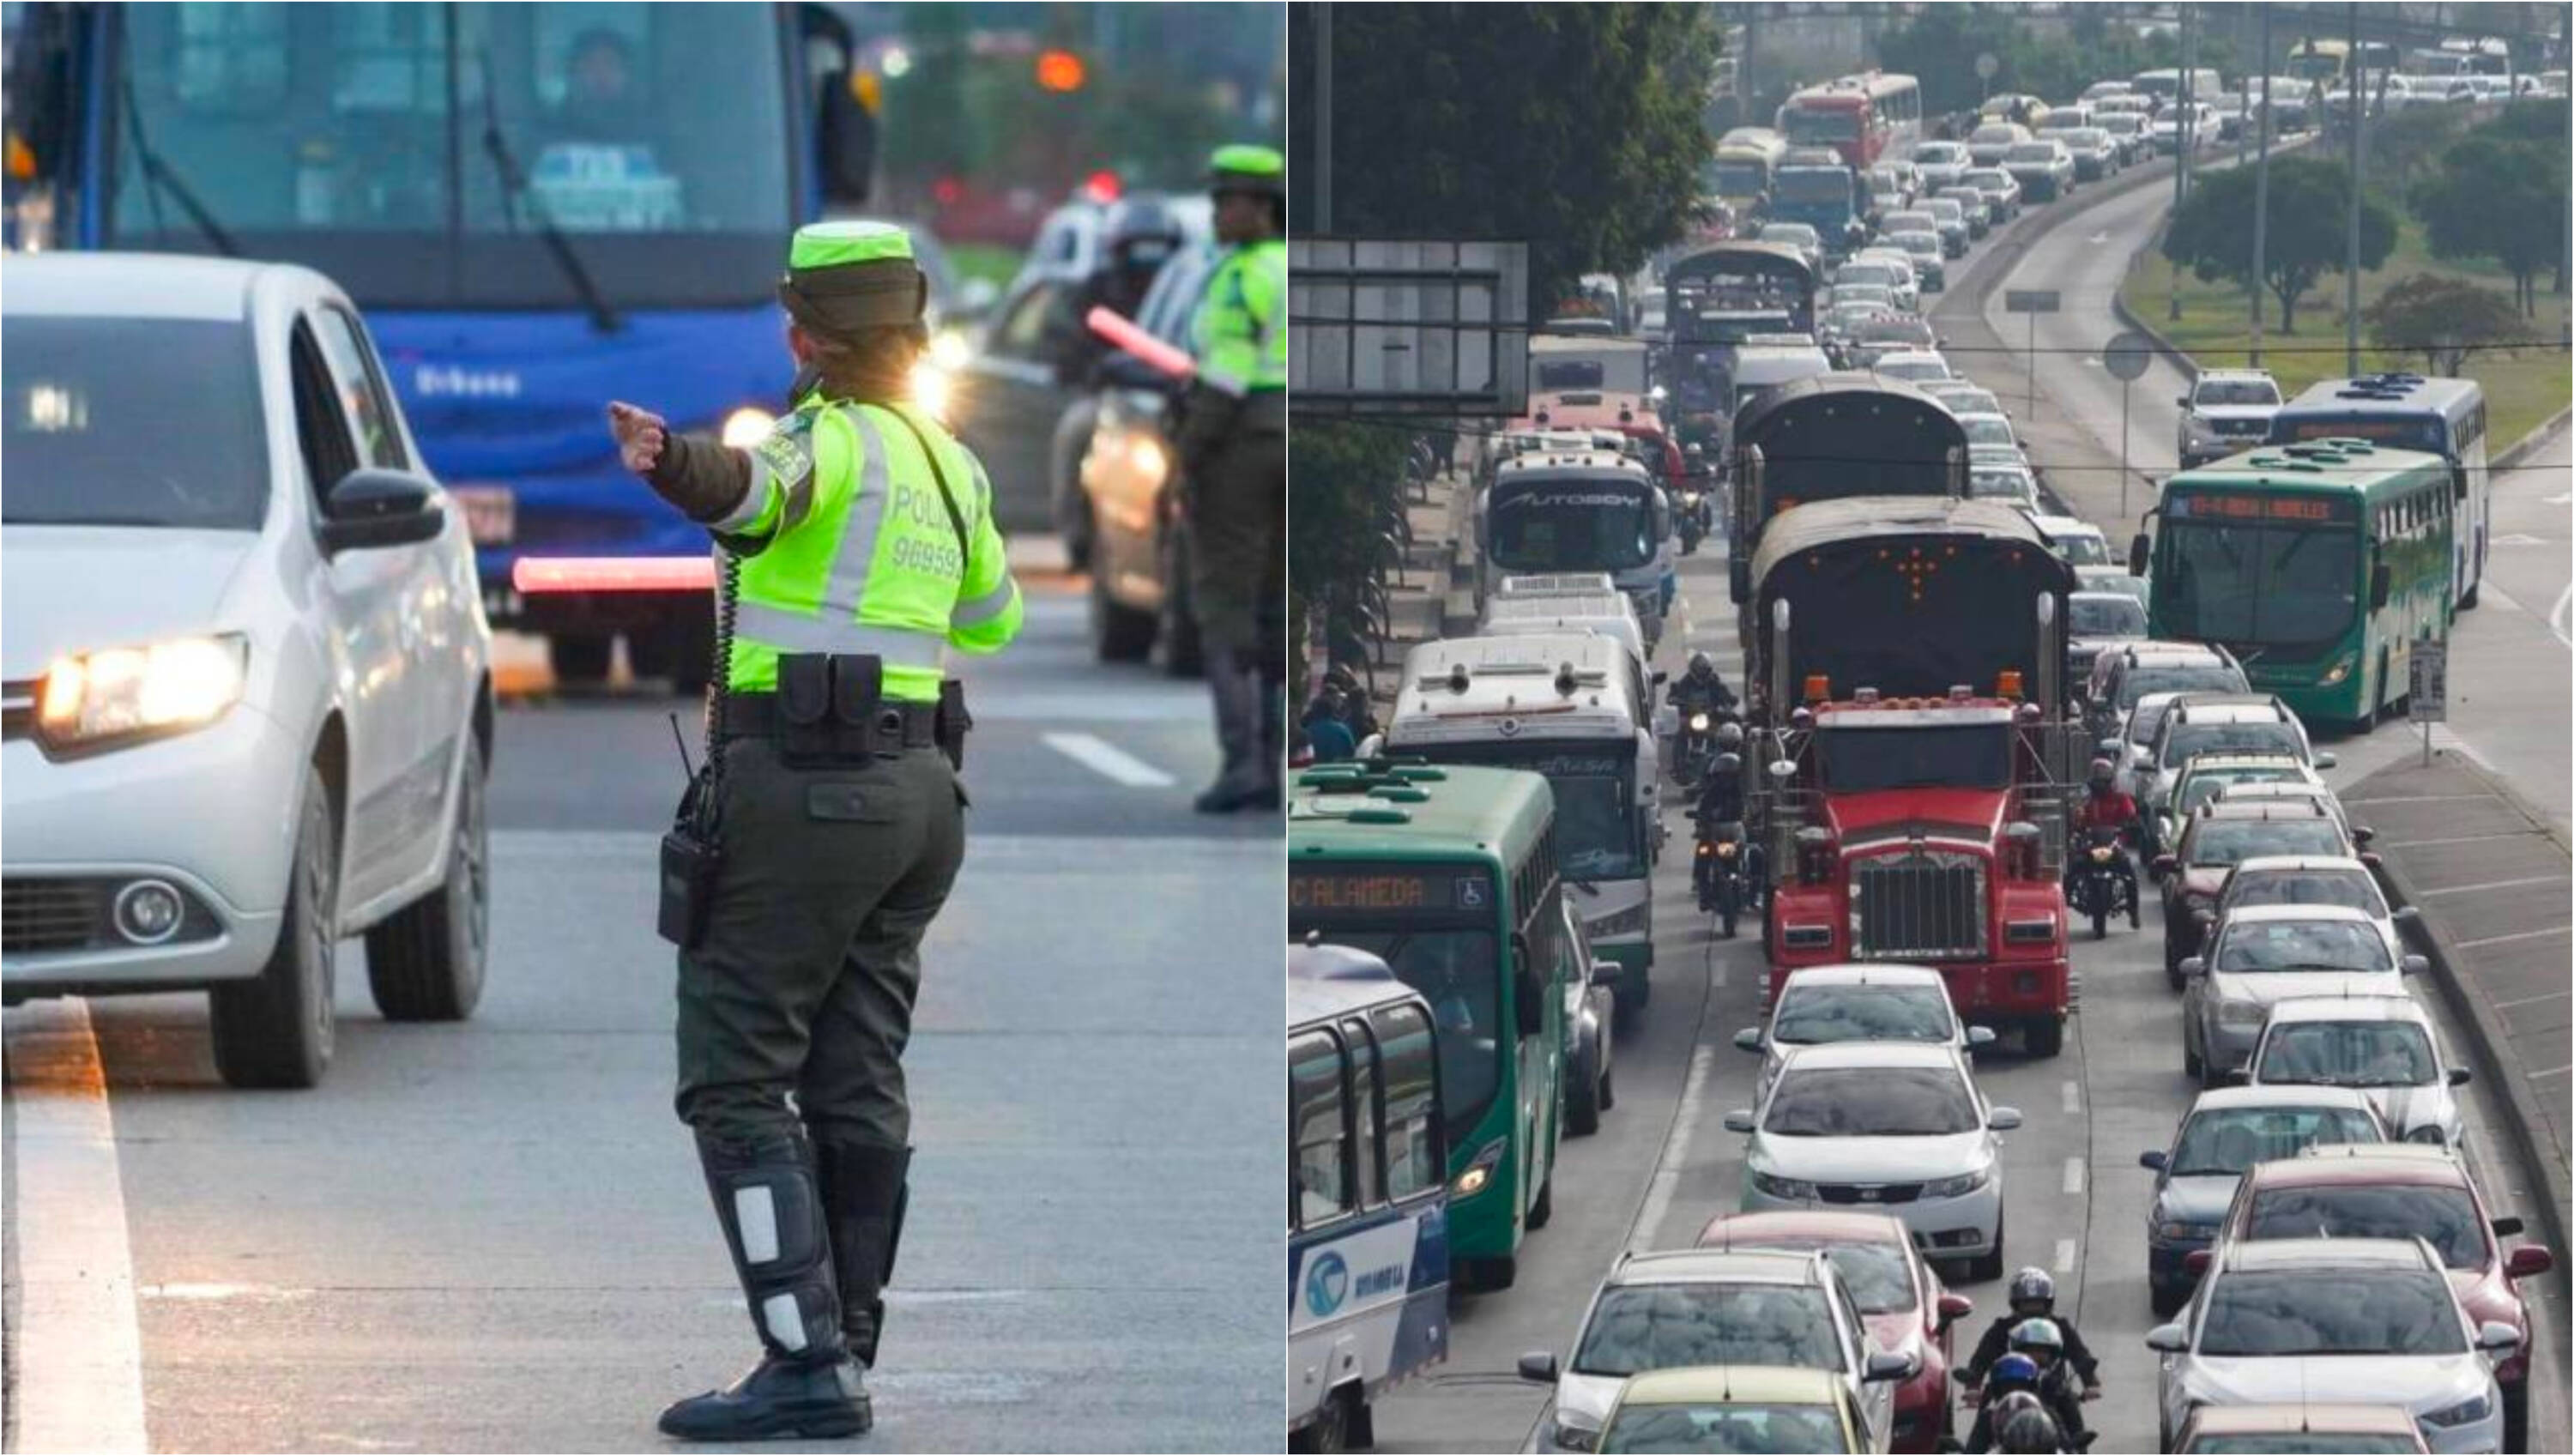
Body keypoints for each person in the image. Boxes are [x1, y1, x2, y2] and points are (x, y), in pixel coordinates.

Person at [604, 219, 1024, 1441]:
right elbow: (990, 618)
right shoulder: (952, 461)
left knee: (734, 1077)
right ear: (916, 332)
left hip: (809, 791)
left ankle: (803, 1359)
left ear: (803, 334)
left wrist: (669, 462)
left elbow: (751, 492)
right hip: (920, 803)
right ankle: (843, 1343)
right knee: (854, 1075)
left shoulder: (825, 441)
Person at [1176, 144, 1287, 813]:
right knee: (1275, 610)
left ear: (1263, 206)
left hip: (1240, 447)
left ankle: (1242, 762)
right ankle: (1272, 765)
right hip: (1289, 443)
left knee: (1223, 610)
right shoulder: (1293, 267)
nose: (1219, 211)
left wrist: (1187, 457)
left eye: (1230, 199)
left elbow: (1223, 378)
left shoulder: (1241, 276)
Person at [2068, 757, 2142, 914]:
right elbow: (2078, 815)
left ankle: (2134, 911)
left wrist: (2130, 822)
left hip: (2112, 845)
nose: (2100, 781)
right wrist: (2077, 821)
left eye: (2104, 776)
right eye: (2097, 776)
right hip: (2091, 845)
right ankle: (2065, 901)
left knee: (2129, 873)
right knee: (2073, 869)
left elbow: (2130, 813)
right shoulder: (2087, 798)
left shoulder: (2120, 797)